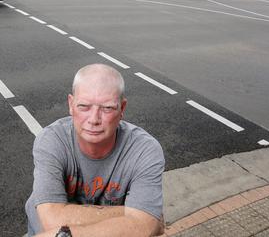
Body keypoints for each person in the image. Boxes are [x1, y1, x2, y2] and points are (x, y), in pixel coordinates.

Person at [25, 64, 165, 237]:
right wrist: (132, 215)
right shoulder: (52, 141)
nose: (94, 119)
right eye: (84, 106)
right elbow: (51, 220)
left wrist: (142, 222)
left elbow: (142, 226)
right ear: (71, 104)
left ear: (122, 109)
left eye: (107, 108)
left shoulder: (145, 150)